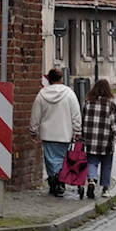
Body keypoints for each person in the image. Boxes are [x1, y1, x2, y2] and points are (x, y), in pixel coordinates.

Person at [29, 67, 81, 196]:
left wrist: (33, 129)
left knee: (50, 159)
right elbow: (76, 113)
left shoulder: (42, 94)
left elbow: (36, 113)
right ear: (61, 79)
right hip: (64, 132)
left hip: (48, 133)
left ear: (49, 79)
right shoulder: (69, 93)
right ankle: (59, 180)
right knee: (63, 159)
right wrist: (77, 129)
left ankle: (54, 179)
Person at [80, 78, 116, 198]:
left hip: (90, 141)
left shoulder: (87, 104)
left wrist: (81, 138)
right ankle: (105, 189)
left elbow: (82, 122)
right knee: (106, 165)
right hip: (106, 142)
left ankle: (92, 180)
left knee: (92, 162)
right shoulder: (111, 105)